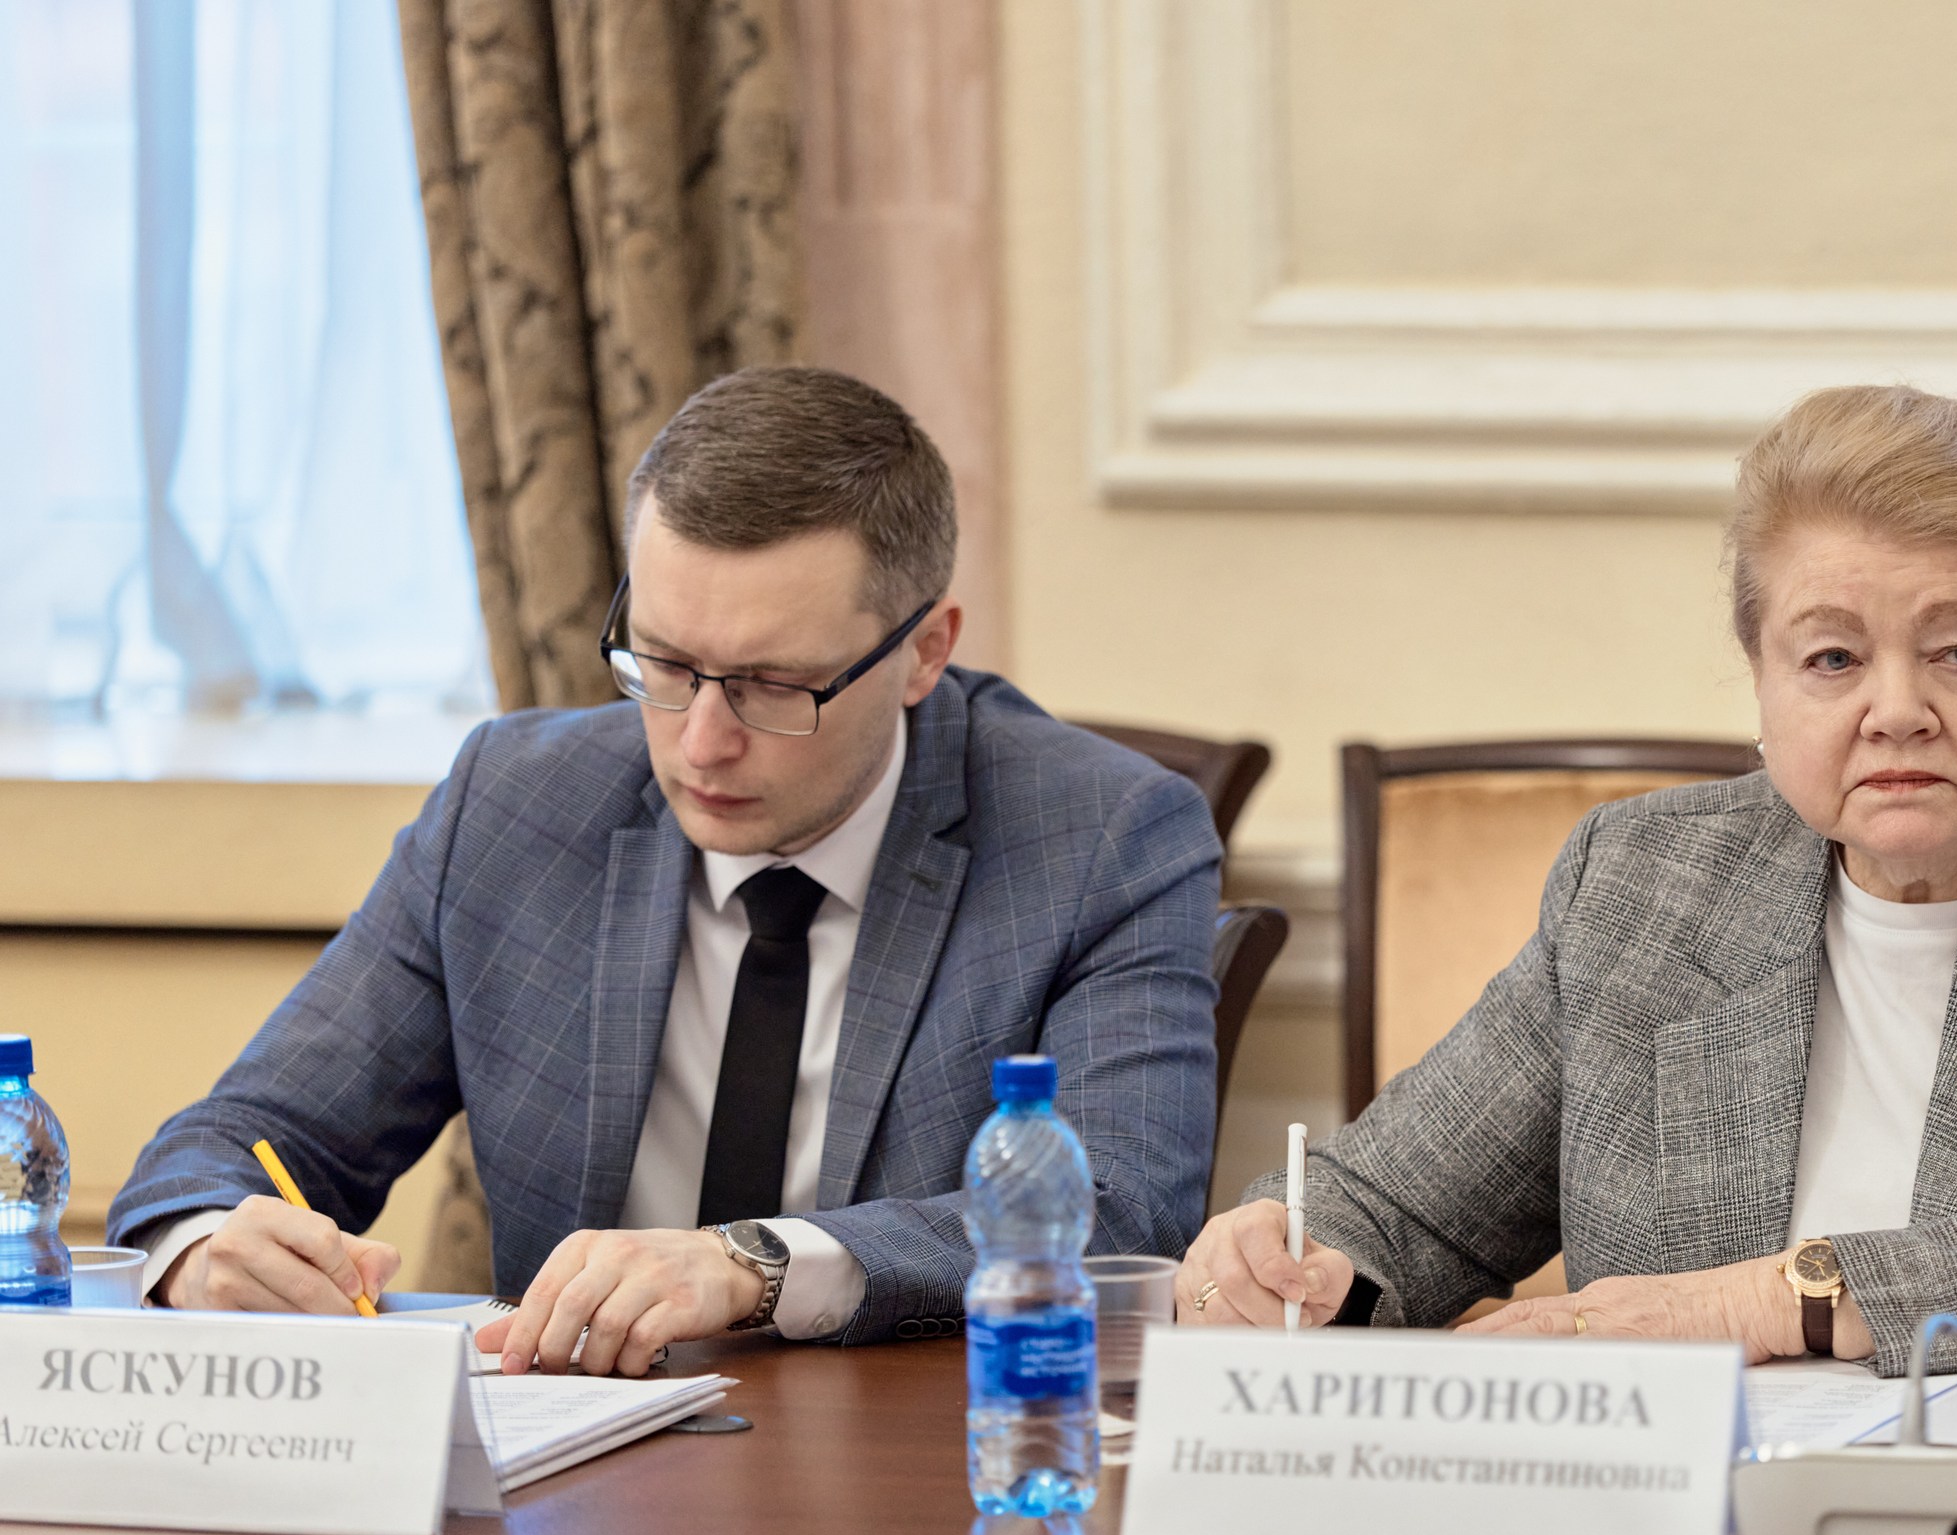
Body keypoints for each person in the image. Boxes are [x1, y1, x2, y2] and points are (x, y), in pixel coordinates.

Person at [1176, 384, 1957, 1375]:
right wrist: (1284, 1253)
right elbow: (1400, 1207)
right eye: (1832, 658)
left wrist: (1783, 1300)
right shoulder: (1644, 885)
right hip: (1667, 1529)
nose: (1896, 710)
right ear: (1761, 680)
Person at [110, 367, 1223, 1371]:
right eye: (665, 663)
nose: (701, 743)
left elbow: (1120, 1207)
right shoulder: (514, 804)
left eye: (775, 685)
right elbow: (238, 1141)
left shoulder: (1103, 837)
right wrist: (208, 1246)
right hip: (571, 1473)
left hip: (912, 1471)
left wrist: (756, 1264)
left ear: (924, 651)